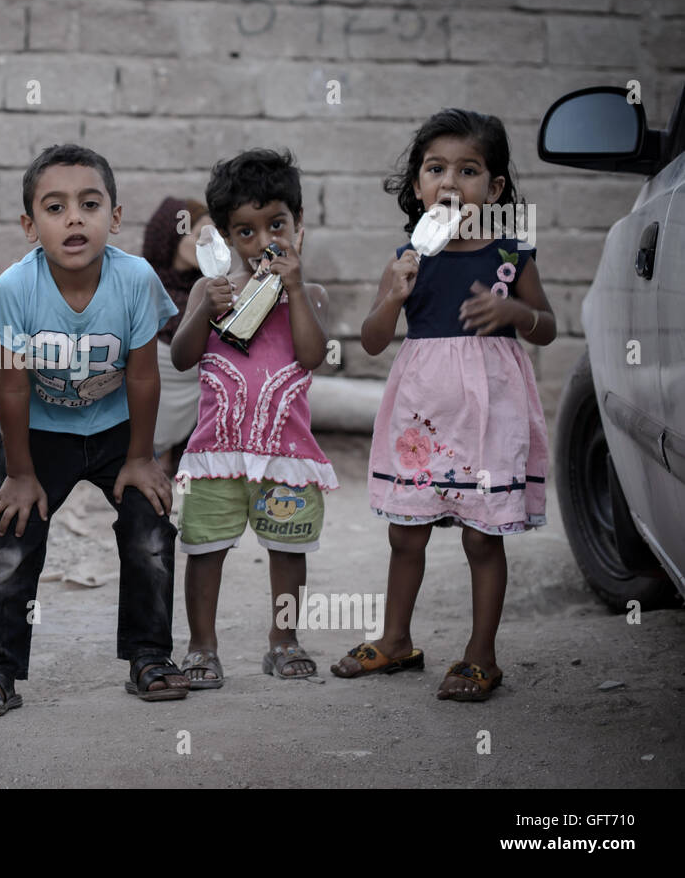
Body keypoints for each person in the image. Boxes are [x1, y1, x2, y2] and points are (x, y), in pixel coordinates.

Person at [0, 143, 189, 719]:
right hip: (38, 436)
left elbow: (142, 376)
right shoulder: (17, 287)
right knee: (12, 540)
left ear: (115, 216)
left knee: (149, 528)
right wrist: (21, 473)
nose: (74, 217)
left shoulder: (135, 280)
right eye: (55, 208)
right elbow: (10, 388)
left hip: (117, 432)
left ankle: (150, 656)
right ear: (31, 226)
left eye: (89, 203)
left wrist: (142, 459)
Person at [331, 109, 553, 702]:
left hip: (488, 416)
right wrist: (393, 294)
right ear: (416, 187)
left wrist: (517, 314)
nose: (451, 182)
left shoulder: (510, 257)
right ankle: (397, 639)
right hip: (422, 417)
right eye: (436, 169)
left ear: (495, 188)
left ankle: (482, 654)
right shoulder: (409, 257)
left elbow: (547, 328)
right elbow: (375, 340)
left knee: (482, 538)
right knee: (408, 532)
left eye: (469, 170)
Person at [169, 149, 337, 688]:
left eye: (277, 224)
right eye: (245, 230)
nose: (263, 239)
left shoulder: (308, 294)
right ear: (225, 237)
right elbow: (180, 356)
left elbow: (311, 355)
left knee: (288, 552)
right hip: (216, 450)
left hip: (285, 454)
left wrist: (293, 289)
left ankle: (283, 640)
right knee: (205, 550)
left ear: (298, 225)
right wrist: (203, 310)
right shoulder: (209, 290)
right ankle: (201, 647)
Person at [140, 197, 207, 476]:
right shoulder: (139, 285)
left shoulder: (210, 292)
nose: (206, 244)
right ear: (169, 235)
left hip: (190, 407)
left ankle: (171, 451)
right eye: (198, 234)